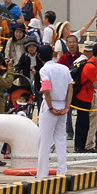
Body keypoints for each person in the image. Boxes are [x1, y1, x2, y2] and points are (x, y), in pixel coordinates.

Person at [36, 45, 73, 177]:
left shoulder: (44, 70)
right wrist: (67, 107)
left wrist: (51, 107)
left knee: (44, 140)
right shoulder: (64, 68)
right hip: (63, 104)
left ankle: (42, 173)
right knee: (60, 139)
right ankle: (62, 170)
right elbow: (70, 89)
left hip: (50, 106)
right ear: (53, 54)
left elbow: (46, 90)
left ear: (39, 57)